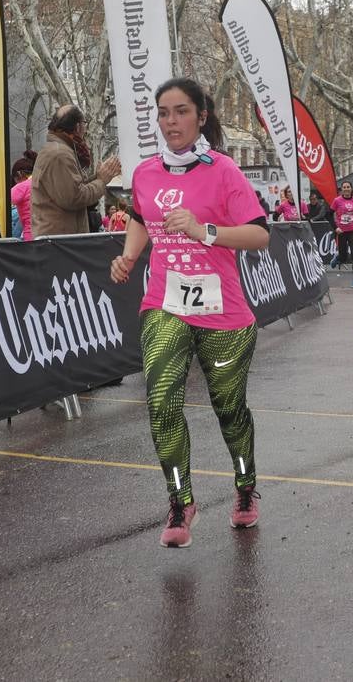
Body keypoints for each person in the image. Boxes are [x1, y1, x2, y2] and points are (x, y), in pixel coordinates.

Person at [109, 78, 270, 549]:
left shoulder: (223, 171)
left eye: (181, 112)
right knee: (161, 399)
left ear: (201, 116)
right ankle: (181, 502)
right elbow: (142, 216)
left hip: (224, 311)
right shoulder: (146, 173)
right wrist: (129, 256)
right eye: (163, 113)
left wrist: (206, 231)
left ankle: (244, 489)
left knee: (229, 409)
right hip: (165, 302)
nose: (171, 122)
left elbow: (260, 235)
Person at [30, 106, 120, 236]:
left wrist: (98, 176)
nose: (85, 129)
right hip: (60, 243)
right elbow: (75, 197)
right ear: (78, 127)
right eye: (84, 124)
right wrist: (101, 181)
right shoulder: (60, 154)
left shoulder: (57, 149)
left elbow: (72, 188)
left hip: (58, 240)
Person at [330, 180, 353, 288]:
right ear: (342, 189)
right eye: (344, 187)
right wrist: (336, 228)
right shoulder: (337, 200)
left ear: (351, 188)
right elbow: (328, 214)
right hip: (342, 231)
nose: (346, 189)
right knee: (344, 257)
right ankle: (338, 257)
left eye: (348, 187)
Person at [9, 150, 37, 241]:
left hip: (29, 236)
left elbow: (3, 203)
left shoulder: (22, 187)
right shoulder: (42, 182)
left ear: (19, 174)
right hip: (46, 234)